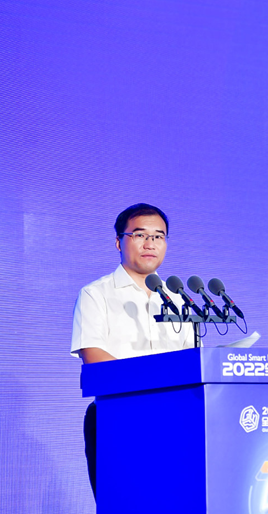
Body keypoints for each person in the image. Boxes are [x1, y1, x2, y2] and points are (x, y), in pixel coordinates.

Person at [71, 203, 194, 498]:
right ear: (119, 242)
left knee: (174, 508)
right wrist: (156, 380)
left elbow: (190, 363)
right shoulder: (96, 294)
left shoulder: (179, 300)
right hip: (117, 417)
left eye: (158, 236)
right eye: (140, 235)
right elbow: (95, 361)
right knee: (125, 511)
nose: (150, 243)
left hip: (174, 420)